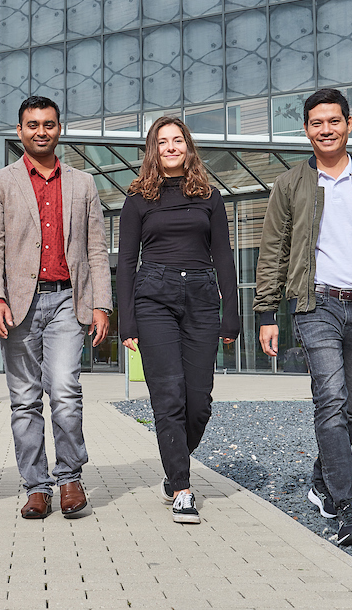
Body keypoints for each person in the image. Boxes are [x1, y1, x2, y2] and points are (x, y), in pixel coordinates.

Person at [254, 87, 352, 547]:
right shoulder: (289, 185)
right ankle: (350, 508)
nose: (325, 129)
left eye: (334, 121)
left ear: (349, 124)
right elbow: (273, 253)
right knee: (329, 398)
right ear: (306, 130)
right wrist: (266, 313)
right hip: (315, 304)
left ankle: (321, 482)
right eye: (316, 123)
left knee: (351, 405)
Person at [0, 96, 112, 520]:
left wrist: (102, 305)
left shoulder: (83, 183)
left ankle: (69, 477)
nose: (41, 131)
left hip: (68, 302)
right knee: (23, 400)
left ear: (59, 129)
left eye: (49, 124)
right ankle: (36, 486)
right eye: (32, 124)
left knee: (66, 392)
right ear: (19, 131)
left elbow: (95, 248)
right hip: (19, 304)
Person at [117, 116, 238, 524]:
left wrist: (231, 315)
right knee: (168, 396)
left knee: (199, 402)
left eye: (177, 140)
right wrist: (127, 323)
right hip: (154, 297)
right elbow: (126, 266)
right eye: (162, 141)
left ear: (188, 147)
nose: (170, 147)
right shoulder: (137, 199)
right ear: (153, 150)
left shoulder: (211, 198)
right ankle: (182, 488)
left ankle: (174, 465)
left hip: (203, 298)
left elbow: (224, 258)